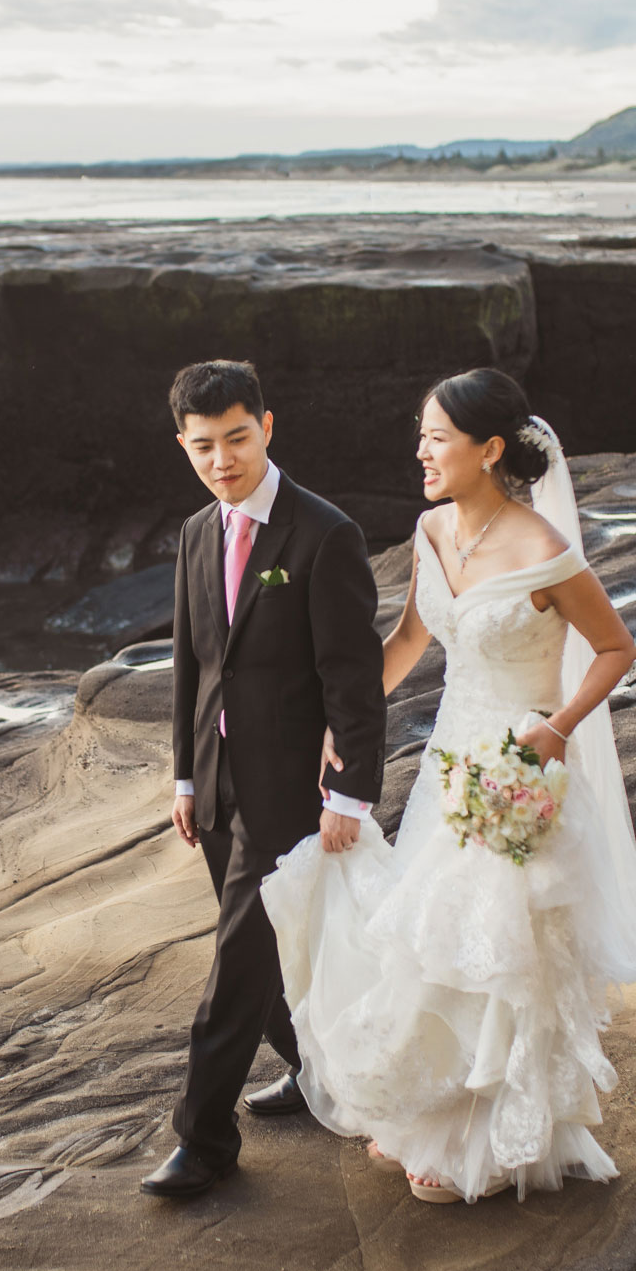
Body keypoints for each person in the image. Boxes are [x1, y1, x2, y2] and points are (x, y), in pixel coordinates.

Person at [260, 367, 636, 1204]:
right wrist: (345, 715)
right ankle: (430, 1116)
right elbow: (411, 638)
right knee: (433, 943)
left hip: (517, 766)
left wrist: (555, 729)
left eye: (436, 436)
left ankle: (488, 1137)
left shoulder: (545, 551)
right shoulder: (433, 530)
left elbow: (618, 649)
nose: (420, 450)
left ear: (488, 449)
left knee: (500, 950)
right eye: (421, 433)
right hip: (451, 756)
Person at [140, 360, 388, 1199]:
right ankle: (318, 1072)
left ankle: (204, 1141)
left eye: (237, 438)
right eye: (204, 445)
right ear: (183, 445)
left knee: (235, 966)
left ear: (268, 427)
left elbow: (353, 678)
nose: (223, 459)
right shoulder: (194, 532)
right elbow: (190, 665)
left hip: (288, 792)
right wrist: (182, 774)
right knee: (273, 953)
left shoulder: (325, 534)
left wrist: (350, 792)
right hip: (214, 786)